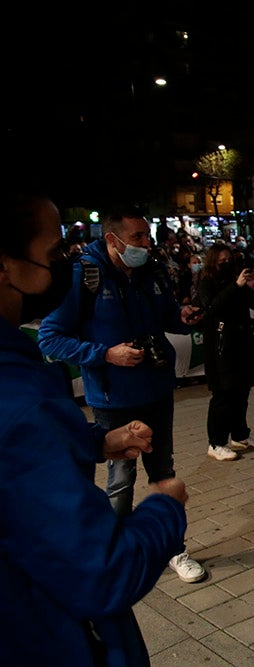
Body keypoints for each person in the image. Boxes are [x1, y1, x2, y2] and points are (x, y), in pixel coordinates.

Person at [1, 192, 191, 667]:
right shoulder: (20, 395)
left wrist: (92, 441)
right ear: (7, 266)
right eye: (50, 253)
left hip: (148, 397)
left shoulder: (149, 274)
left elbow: (25, 456)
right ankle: (130, 533)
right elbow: (101, 575)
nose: (61, 261)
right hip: (46, 634)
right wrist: (165, 512)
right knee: (125, 489)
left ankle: (164, 547)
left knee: (156, 462)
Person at [38, 205, 206, 585]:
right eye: (138, 238)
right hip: (113, 400)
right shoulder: (84, 275)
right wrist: (106, 354)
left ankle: (173, 548)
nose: (147, 244)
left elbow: (166, 316)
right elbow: (51, 339)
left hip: (157, 389)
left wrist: (184, 316)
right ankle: (115, 555)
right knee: (120, 480)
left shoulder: (152, 271)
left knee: (164, 473)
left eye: (148, 236)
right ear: (112, 240)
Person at [197, 243, 254, 461]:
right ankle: (216, 442)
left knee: (242, 391)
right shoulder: (207, 281)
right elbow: (212, 307)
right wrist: (235, 286)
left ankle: (240, 435)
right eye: (222, 261)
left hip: (242, 341)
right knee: (223, 394)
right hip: (221, 344)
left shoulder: (237, 279)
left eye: (230, 259)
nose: (227, 264)